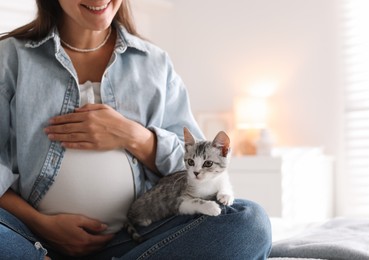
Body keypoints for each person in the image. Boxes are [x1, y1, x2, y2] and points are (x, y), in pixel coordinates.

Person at [0, 0, 272, 259]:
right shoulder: (11, 57)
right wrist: (42, 225)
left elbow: (193, 168)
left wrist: (134, 136)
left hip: (137, 236)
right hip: (32, 235)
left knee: (249, 223)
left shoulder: (154, 63)